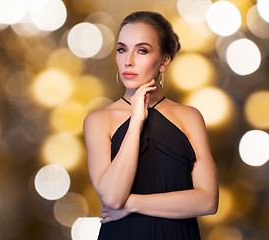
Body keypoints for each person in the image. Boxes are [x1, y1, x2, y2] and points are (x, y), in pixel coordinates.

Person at [83, 11, 219, 239]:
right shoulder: (98, 120)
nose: (128, 60)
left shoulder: (189, 117)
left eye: (142, 50)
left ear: (164, 60)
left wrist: (133, 204)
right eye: (122, 49)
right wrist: (136, 120)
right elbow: (113, 198)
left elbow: (208, 201)